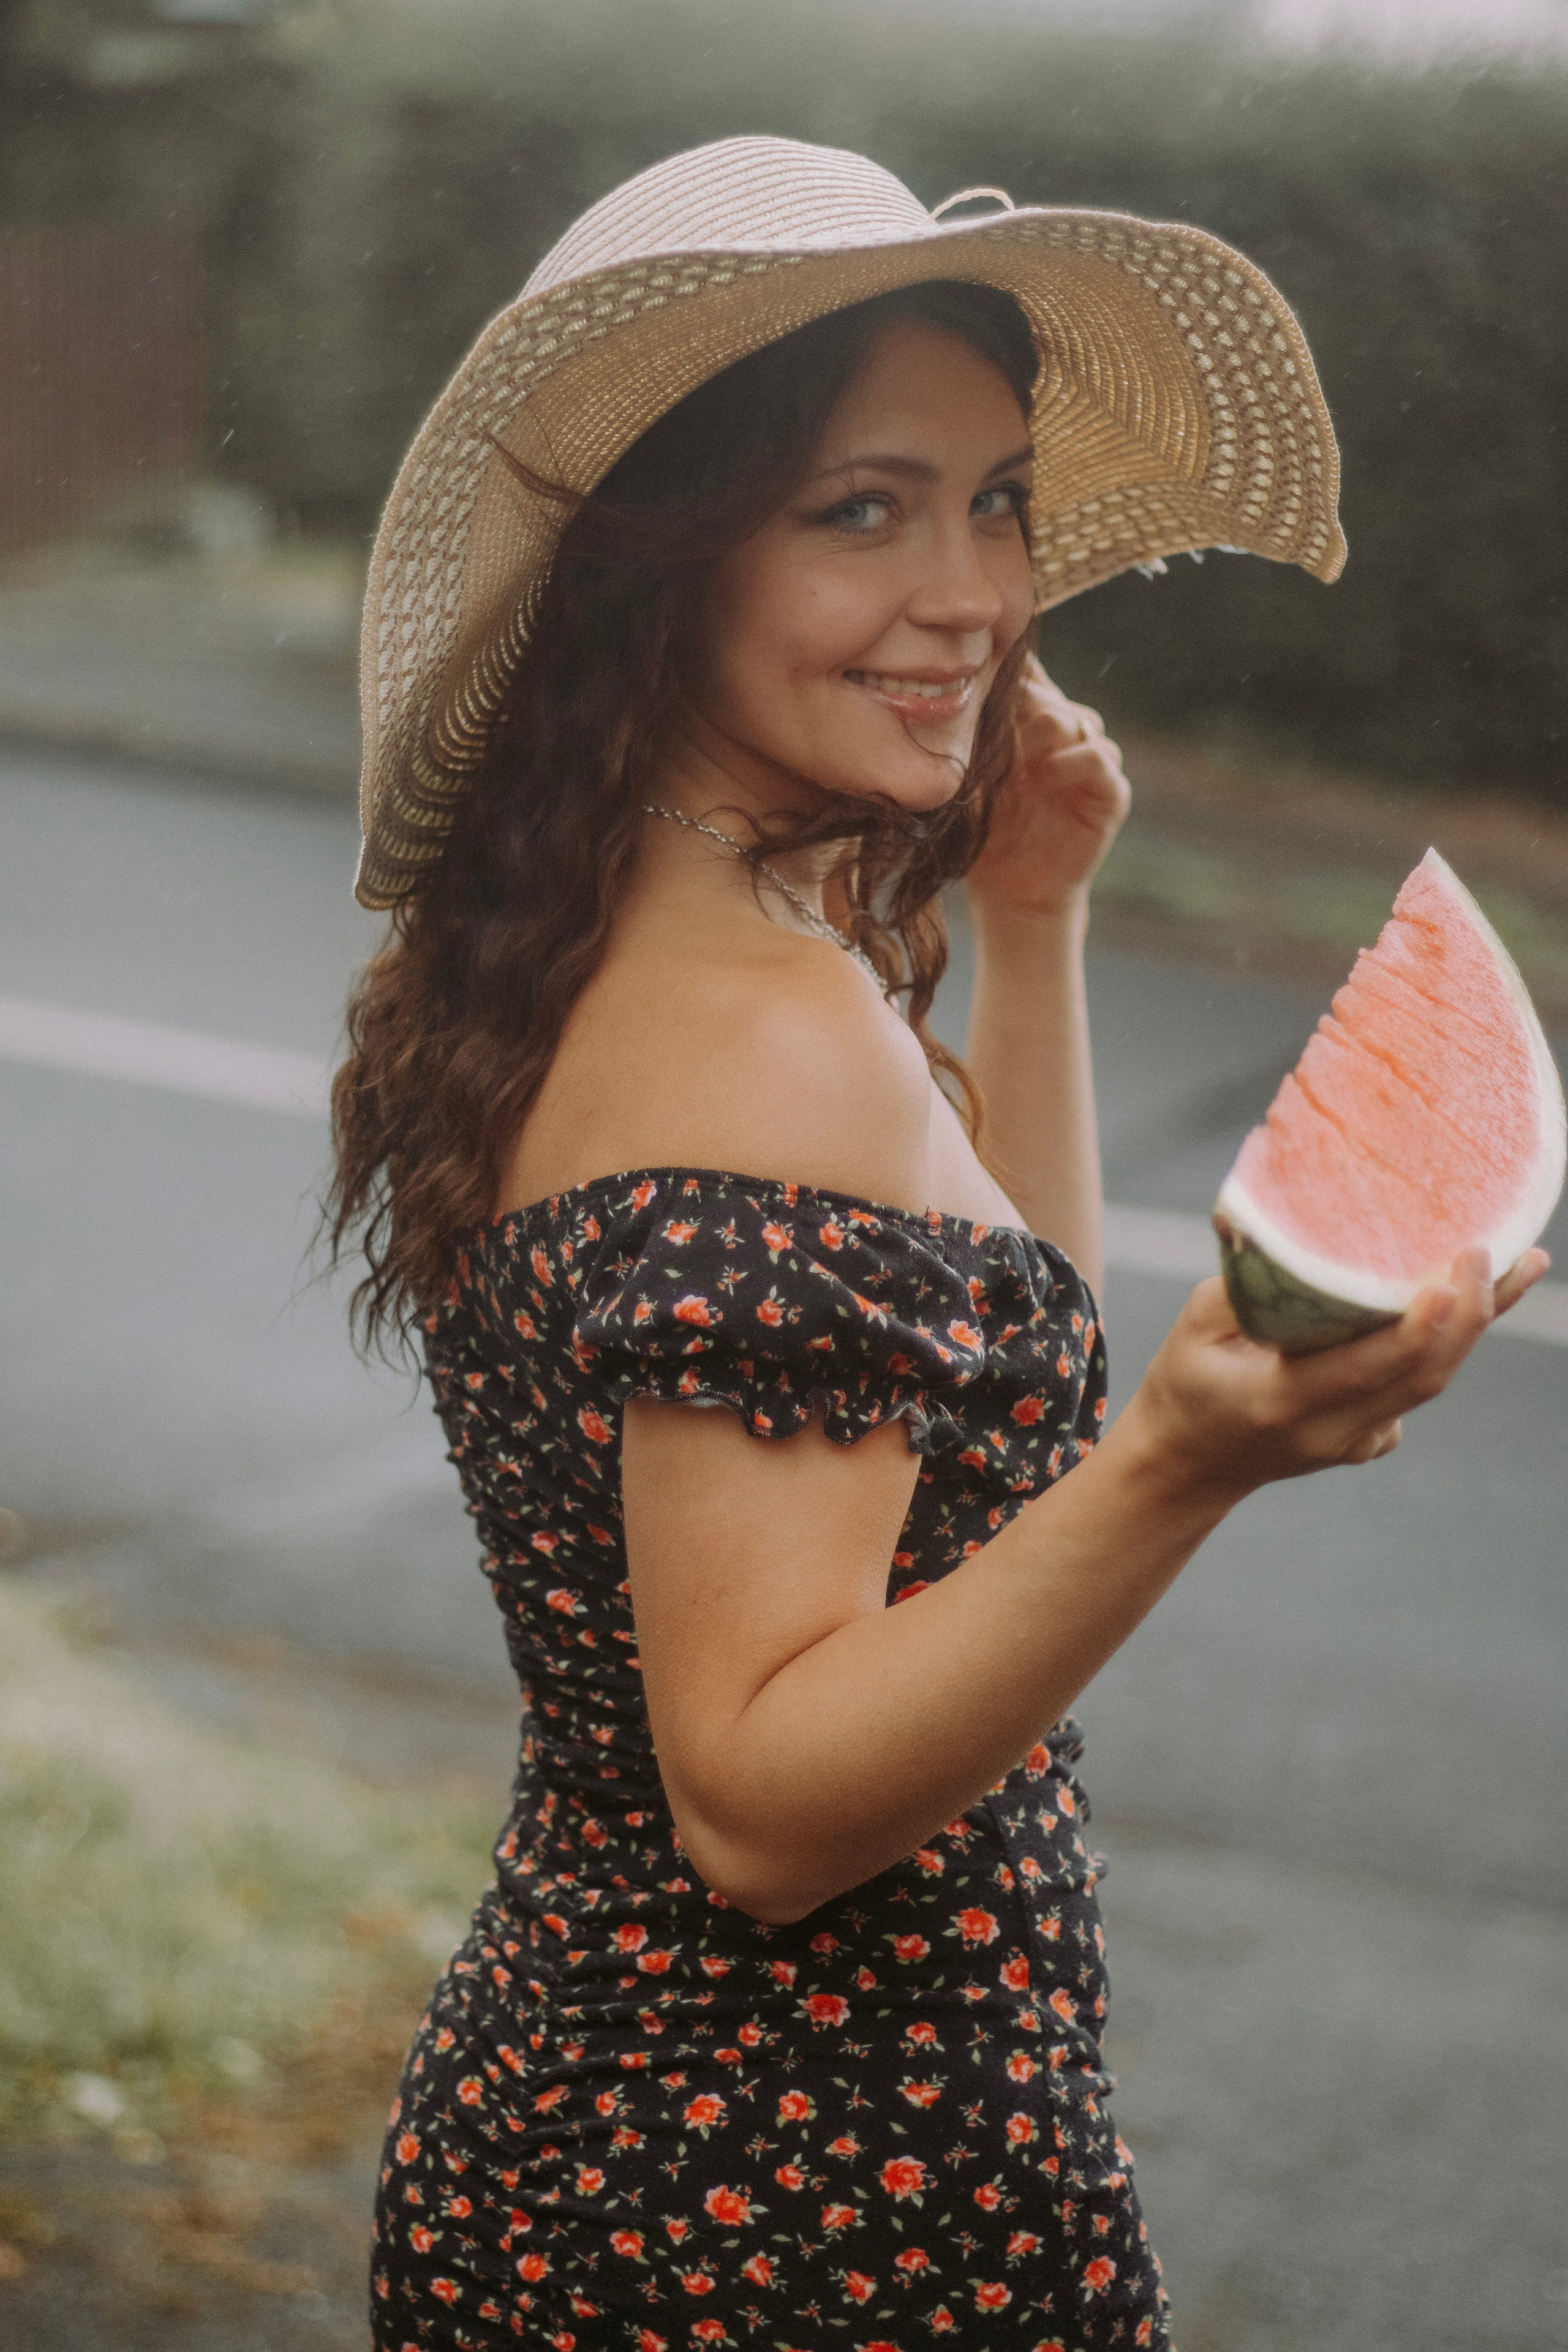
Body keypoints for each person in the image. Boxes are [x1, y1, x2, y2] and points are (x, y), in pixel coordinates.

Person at [325, 137, 1548, 2351]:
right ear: (664, 564)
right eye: (861, 508)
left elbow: (974, 1423)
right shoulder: (775, 1046)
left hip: (621, 2146)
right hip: (787, 2217)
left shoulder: (624, 931)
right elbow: (762, 1804)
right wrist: (1185, 1461)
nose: (975, 590)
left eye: (994, 499)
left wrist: (1032, 933)